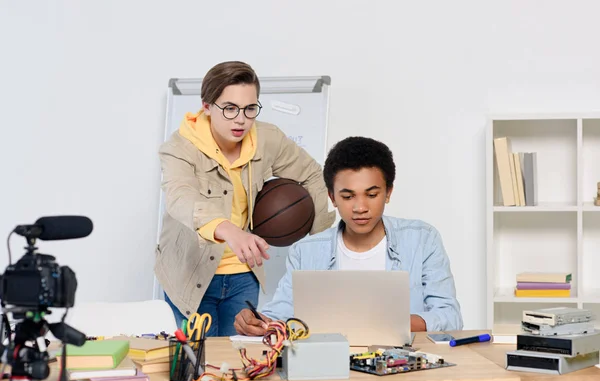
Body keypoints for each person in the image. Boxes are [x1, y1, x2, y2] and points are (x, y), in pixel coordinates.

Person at [155, 61, 335, 336]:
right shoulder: (178, 148)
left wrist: (318, 244)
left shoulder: (267, 138)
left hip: (243, 277)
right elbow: (180, 198)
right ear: (206, 106)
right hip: (189, 276)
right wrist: (229, 231)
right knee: (199, 367)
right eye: (229, 108)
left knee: (239, 364)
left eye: (250, 108)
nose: (241, 119)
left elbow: (313, 175)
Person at [233, 136, 463, 336]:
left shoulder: (422, 239)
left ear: (388, 193)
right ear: (332, 198)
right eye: (348, 196)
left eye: (372, 194)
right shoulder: (306, 252)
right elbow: (279, 313)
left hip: (402, 366)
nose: (360, 207)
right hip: (329, 370)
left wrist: (393, 323)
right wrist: (256, 321)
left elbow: (450, 316)